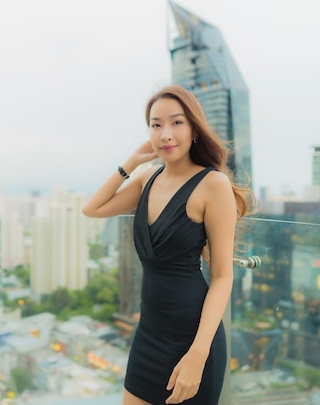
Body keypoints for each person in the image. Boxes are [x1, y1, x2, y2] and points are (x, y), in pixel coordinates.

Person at [82, 85, 254, 405]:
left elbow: (222, 276)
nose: (165, 134)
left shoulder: (212, 184)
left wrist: (197, 355)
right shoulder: (147, 179)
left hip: (193, 340)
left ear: (194, 128)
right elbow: (92, 209)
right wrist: (131, 162)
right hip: (148, 334)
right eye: (156, 124)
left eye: (176, 122)